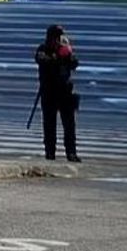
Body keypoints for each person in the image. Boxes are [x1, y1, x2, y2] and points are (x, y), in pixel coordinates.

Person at [35, 24, 81, 162]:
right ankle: (50, 152)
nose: (58, 40)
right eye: (56, 37)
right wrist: (58, 56)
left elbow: (74, 63)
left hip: (65, 92)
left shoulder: (65, 50)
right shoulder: (43, 49)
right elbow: (43, 60)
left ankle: (71, 152)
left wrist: (68, 53)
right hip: (49, 92)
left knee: (69, 125)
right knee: (49, 125)